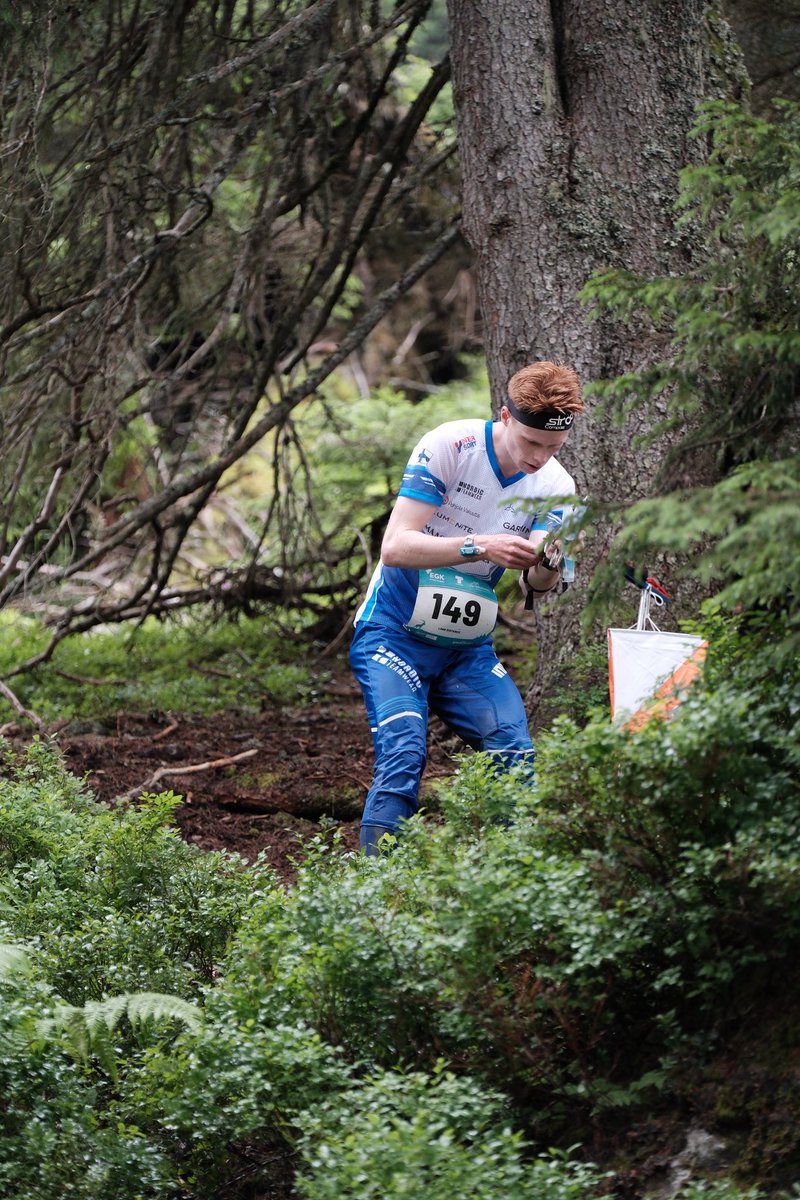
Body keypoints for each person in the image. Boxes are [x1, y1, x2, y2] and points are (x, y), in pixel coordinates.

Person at [349, 360, 585, 854]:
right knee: (404, 753)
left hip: (465, 648)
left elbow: (535, 587)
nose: (539, 458)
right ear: (504, 416)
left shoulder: (558, 487)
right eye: (531, 443)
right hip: (392, 632)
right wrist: (481, 546)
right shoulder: (451, 446)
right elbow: (395, 547)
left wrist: (548, 561)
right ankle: (375, 897)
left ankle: (504, 886)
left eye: (553, 447)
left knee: (515, 754)